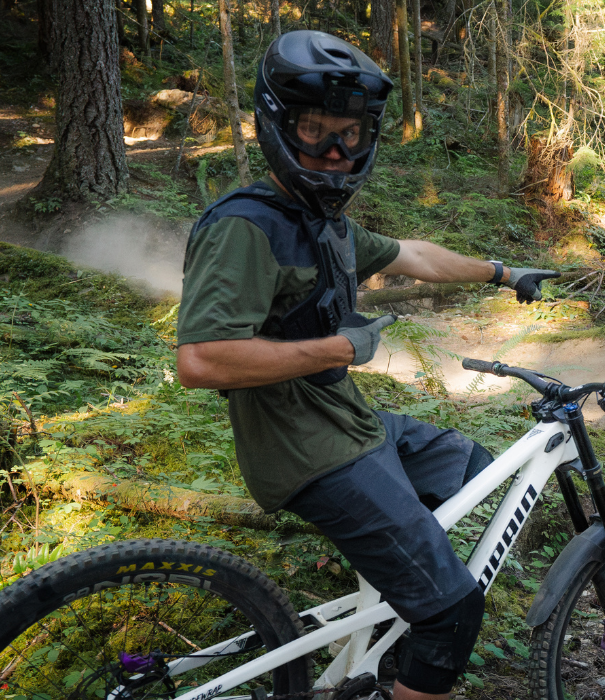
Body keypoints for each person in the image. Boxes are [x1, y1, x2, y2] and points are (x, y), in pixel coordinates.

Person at [174, 31, 556, 700]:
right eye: (314, 129)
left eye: (348, 135)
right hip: (306, 451)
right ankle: (430, 622)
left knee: (476, 471)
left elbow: (416, 255)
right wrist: (337, 349)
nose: (332, 151)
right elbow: (202, 359)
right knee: (454, 612)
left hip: (349, 422)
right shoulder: (246, 226)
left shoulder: (326, 221)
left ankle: (393, 620)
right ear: (276, 125)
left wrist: (501, 270)